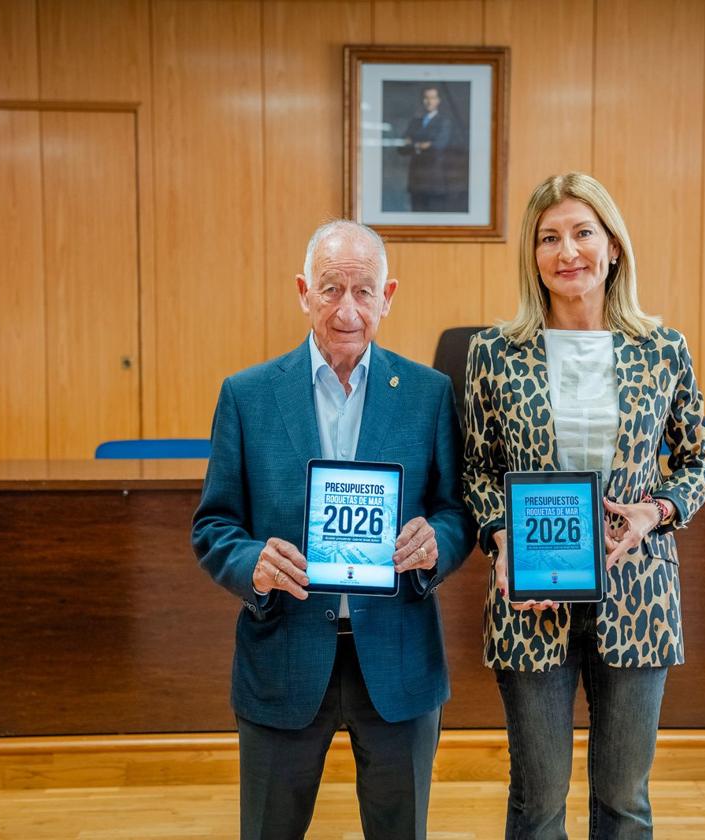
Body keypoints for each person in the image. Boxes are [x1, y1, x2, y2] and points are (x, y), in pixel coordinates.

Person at [192, 219, 474, 840]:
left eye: (364, 290)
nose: (348, 309)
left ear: (388, 296)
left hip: (398, 657)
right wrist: (252, 565)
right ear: (303, 292)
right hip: (285, 654)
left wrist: (436, 545)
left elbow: (457, 511)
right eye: (330, 289)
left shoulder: (428, 394)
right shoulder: (247, 396)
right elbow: (213, 526)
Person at [462, 172, 705, 839]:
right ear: (533, 256)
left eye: (582, 232)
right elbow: (478, 469)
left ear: (612, 247)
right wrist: (501, 543)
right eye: (549, 238)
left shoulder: (663, 350)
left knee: (624, 800)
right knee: (538, 802)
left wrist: (654, 513)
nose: (566, 250)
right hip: (532, 596)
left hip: (638, 590)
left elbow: (698, 463)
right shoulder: (493, 352)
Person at [400, 86, 458, 211]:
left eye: (432, 98)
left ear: (438, 100)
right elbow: (402, 148)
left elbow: (438, 146)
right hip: (415, 179)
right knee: (416, 215)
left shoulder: (444, 122)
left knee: (433, 216)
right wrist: (422, 145)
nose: (429, 101)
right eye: (426, 98)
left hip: (434, 179)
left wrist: (414, 144)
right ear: (422, 100)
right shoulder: (415, 122)